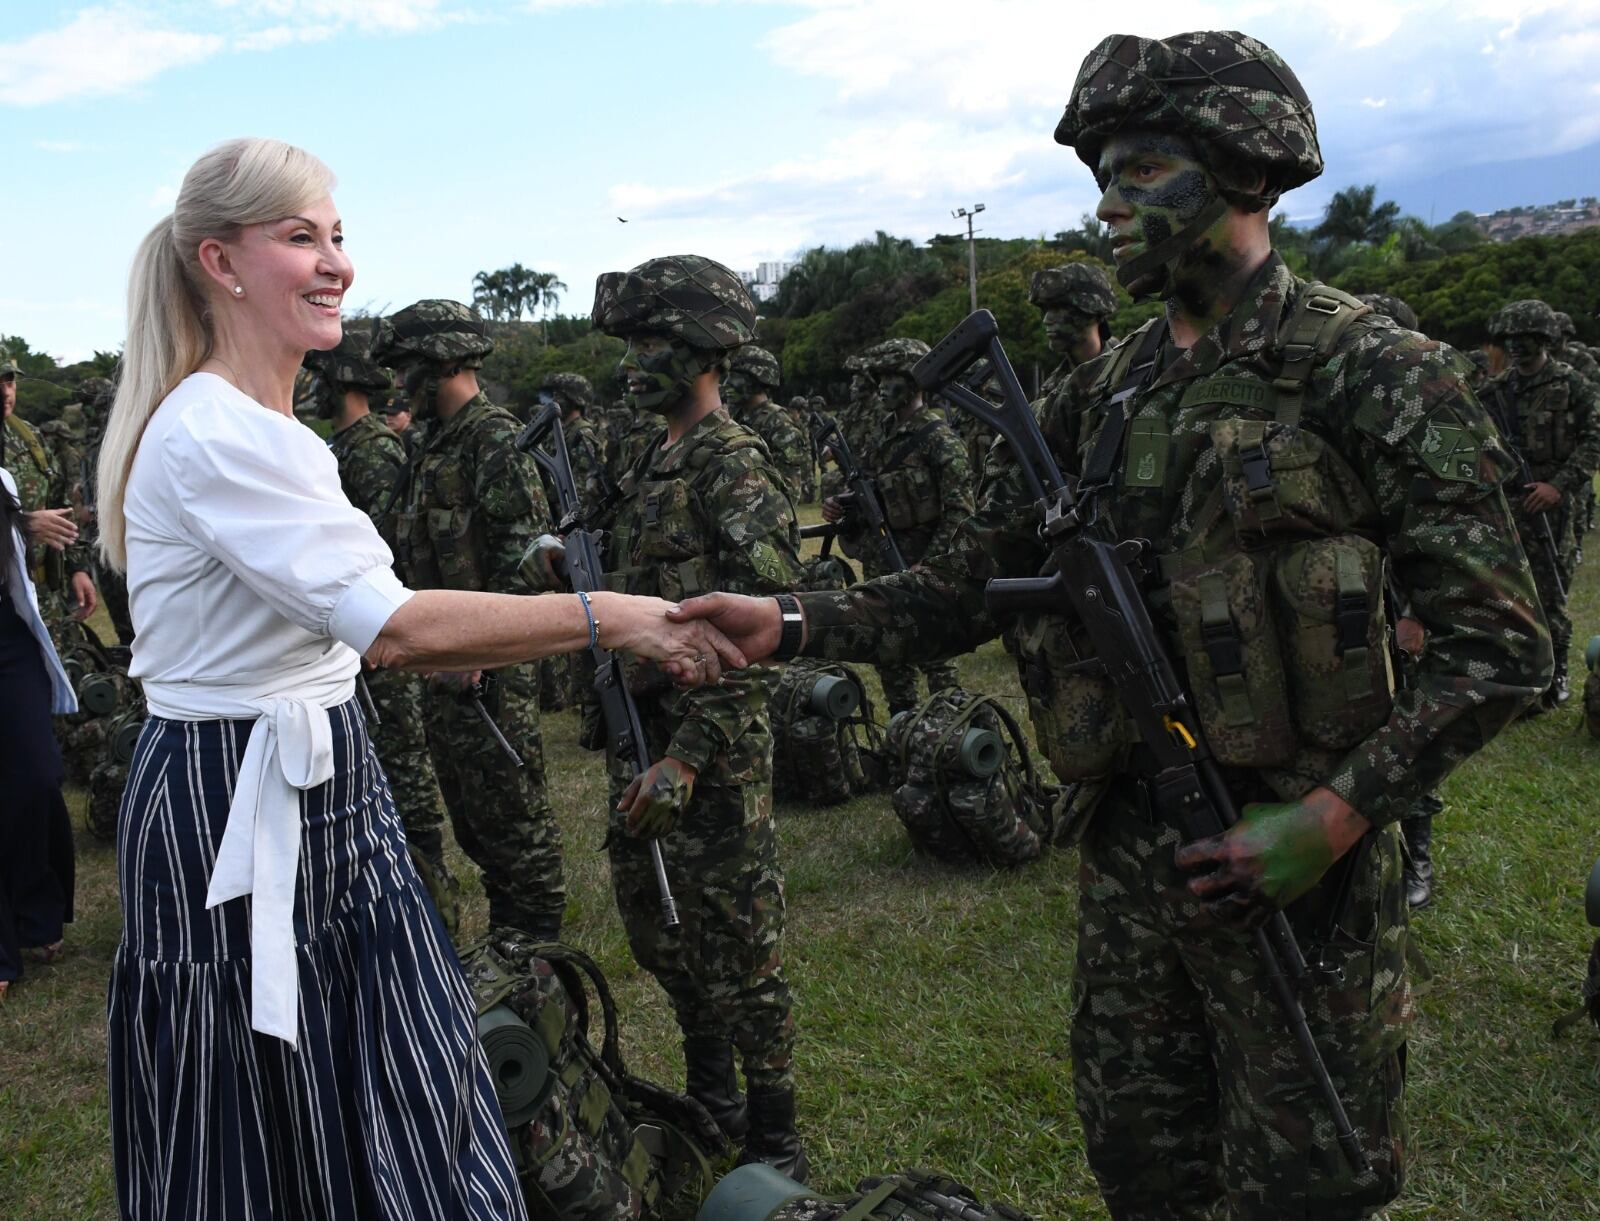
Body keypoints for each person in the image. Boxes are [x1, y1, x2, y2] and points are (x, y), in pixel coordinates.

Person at [674, 31, 1549, 1217]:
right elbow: (966, 581)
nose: (1106, 208)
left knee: (1306, 1185)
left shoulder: (1369, 367)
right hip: (1135, 855)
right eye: (1100, 178)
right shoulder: (1095, 395)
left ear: (1244, 170)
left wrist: (1332, 820)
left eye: (1138, 173)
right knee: (1142, 1165)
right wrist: (786, 619)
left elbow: (1503, 651)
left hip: (1299, 868)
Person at [93, 137, 741, 1219]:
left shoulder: (257, 426)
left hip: (296, 771)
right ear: (220, 262)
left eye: (337, 236)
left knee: (360, 1064)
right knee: (270, 1108)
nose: (336, 261)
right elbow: (391, 627)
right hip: (240, 794)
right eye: (300, 237)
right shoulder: (221, 430)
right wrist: (616, 616)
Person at [530, 253, 809, 1177]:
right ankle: (713, 1090)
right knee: (662, 929)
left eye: (650, 343)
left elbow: (762, 633)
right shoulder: (643, 458)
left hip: (709, 750)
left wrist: (686, 762)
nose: (631, 363)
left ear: (701, 350)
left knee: (741, 942)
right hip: (635, 733)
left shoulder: (733, 465)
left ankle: (774, 1129)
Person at [370, 300, 569, 943]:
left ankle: (536, 949)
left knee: (511, 816)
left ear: (447, 362)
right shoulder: (430, 446)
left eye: (408, 369)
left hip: (489, 671)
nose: (399, 385)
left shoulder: (494, 439)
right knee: (471, 816)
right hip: (441, 663)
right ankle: (510, 944)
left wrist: (477, 650)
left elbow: (524, 560)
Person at [302, 335, 460, 932]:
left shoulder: (369, 450)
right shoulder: (338, 446)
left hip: (376, 627)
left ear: (341, 382)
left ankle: (429, 874)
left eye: (320, 378)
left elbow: (382, 550)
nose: (311, 388)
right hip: (350, 629)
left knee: (400, 749)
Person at [822, 337, 973, 716]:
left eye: (893, 378)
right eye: (881, 378)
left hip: (923, 563)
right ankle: (903, 722)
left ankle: (951, 730)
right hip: (881, 562)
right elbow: (871, 491)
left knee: (935, 652)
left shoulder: (939, 439)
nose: (883, 387)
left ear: (915, 383)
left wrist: (933, 565)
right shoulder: (880, 435)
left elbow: (959, 510)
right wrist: (843, 505)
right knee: (888, 647)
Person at [1480, 299, 1599, 708]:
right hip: (1507, 504)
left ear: (1545, 339)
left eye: (1525, 338)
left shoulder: (1573, 385)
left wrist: (1559, 485)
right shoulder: (1495, 391)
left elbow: (1594, 440)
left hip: (1553, 506)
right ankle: (1516, 675)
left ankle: (1556, 673)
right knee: (1506, 593)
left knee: (1551, 594)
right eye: (1510, 338)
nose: (1515, 346)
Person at [0, 463, 77, 1002]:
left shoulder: (4, 478)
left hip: (9, 640)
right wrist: (24, 523)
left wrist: (24, 524)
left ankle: (35, 910)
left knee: (38, 778)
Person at [1, 349, 97, 649]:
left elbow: (60, 507)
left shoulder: (29, 437)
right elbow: (29, 522)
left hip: (42, 599)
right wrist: (21, 524)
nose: (5, 392)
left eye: (9, 381)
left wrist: (77, 568)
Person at [726, 346, 810, 505]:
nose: (726, 384)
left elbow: (790, 491)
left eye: (734, 377)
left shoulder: (778, 423)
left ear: (755, 380)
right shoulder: (736, 416)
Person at [1030, 261, 1119, 402]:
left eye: (1058, 309)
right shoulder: (1052, 388)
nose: (1047, 320)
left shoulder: (1127, 369)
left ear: (1091, 312)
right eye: (1046, 309)